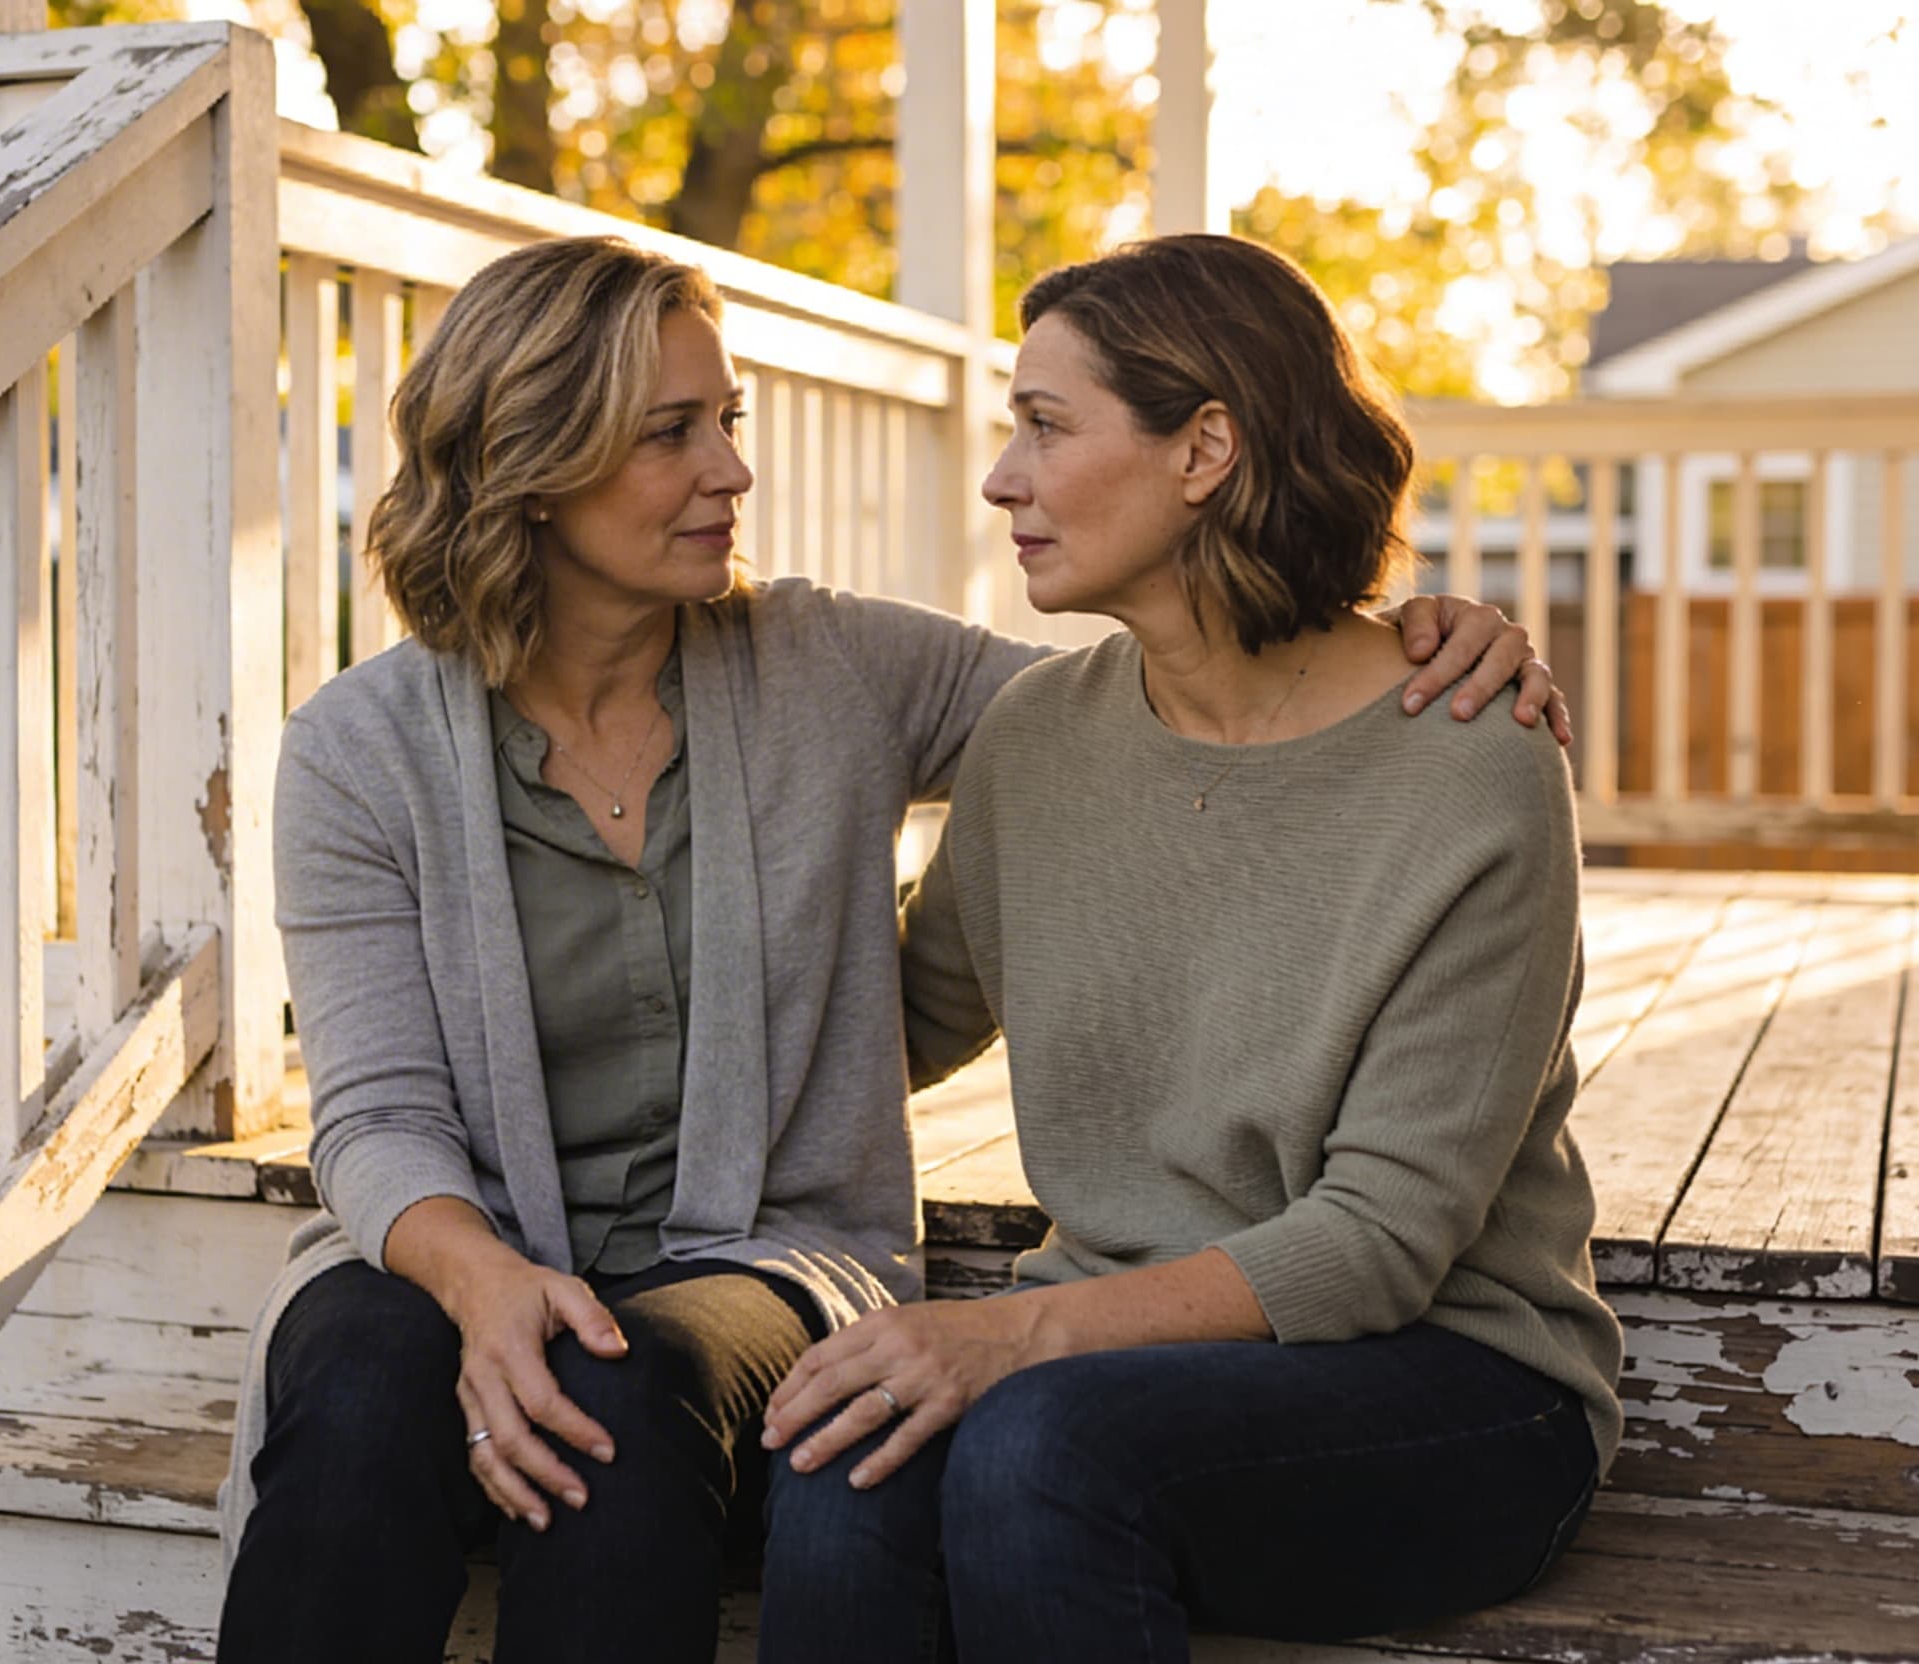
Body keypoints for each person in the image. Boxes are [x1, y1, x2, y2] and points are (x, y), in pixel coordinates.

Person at [213, 233, 1567, 1664]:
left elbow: (1209, 710)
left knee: (704, 1391)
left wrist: (1427, 634)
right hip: (522, 1257)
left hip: (1306, 1345)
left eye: (722, 424)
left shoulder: (863, 676)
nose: (733, 471)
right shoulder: (366, 751)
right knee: (380, 1369)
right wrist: (483, 1283)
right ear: (531, 463)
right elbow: (386, 1113)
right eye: (676, 432)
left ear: (1205, 451)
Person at [757, 233, 1622, 1664]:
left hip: (1454, 1380)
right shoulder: (1036, 743)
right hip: (1115, 1364)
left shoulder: (1470, 761)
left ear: (1206, 447)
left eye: (1045, 425)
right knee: (849, 1458)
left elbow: (1381, 1247)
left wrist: (1013, 1339)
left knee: (1042, 1447)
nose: (1001, 478)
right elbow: (886, 1027)